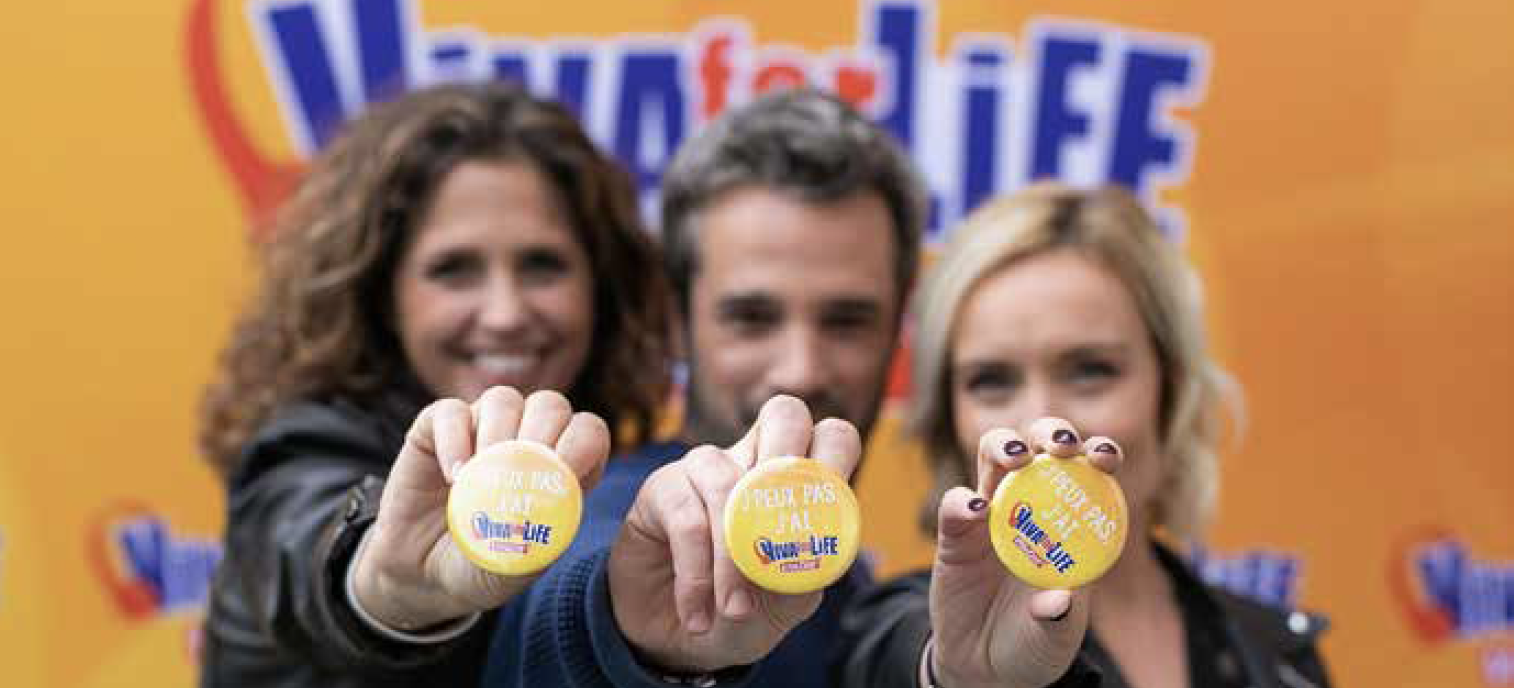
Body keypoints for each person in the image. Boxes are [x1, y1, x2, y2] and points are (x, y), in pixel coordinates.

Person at [197, 82, 674, 688]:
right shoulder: (302, 452)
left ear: (600, 287)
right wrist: (390, 584)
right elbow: (313, 546)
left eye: (542, 265)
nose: (505, 313)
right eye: (454, 269)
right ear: (383, 295)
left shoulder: (612, 474)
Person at [480, 87, 926, 688]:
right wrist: (631, 640)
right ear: (675, 320)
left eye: (847, 321)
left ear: (898, 325)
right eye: (751, 318)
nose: (799, 371)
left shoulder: (844, 573)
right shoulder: (611, 518)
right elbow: (578, 595)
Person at [839, 184, 1333, 688]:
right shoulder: (901, 629)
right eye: (992, 381)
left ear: (1170, 393)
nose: (1043, 422)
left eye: (1091, 370)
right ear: (950, 421)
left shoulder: (1277, 654)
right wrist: (957, 675)